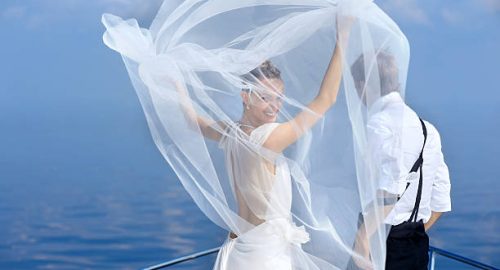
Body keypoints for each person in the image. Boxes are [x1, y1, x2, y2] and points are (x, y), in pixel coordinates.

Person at [351, 51, 452, 270]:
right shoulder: (428, 130)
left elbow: (389, 191)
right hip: (416, 247)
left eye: (356, 86)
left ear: (364, 84)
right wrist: (411, 235)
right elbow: (441, 198)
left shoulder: (379, 123)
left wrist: (362, 243)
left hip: (378, 244)